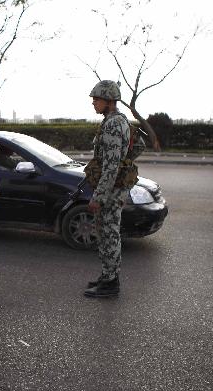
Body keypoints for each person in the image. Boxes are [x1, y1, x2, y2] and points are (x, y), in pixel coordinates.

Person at [83, 80, 132, 298]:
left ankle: (111, 284)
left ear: (110, 101)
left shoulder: (113, 124)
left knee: (109, 234)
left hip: (110, 191)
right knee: (105, 234)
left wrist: (99, 197)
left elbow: (111, 166)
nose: (93, 102)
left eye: (97, 99)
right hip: (113, 189)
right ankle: (107, 275)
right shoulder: (116, 121)